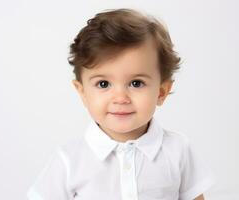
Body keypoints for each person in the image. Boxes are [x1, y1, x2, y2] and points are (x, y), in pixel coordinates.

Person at [27, 8, 215, 200]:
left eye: (136, 83)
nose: (120, 98)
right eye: (103, 84)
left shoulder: (177, 150)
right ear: (82, 92)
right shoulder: (70, 160)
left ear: (161, 91)